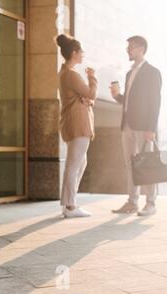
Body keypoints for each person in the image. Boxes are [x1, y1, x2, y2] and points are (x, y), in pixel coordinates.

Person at [110, 36, 163, 216]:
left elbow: (155, 102)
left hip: (143, 127)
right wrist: (117, 96)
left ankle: (151, 203)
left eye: (131, 47)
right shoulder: (128, 73)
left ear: (141, 49)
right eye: (128, 47)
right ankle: (132, 203)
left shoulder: (152, 72)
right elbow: (129, 101)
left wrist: (151, 129)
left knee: (146, 165)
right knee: (130, 165)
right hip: (127, 126)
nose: (128, 50)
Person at [56, 34, 98, 219]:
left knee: (80, 162)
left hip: (72, 122)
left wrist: (86, 100)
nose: (83, 55)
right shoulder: (72, 74)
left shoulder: (64, 73)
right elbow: (91, 93)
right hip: (78, 124)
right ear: (74, 53)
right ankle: (70, 206)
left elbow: (84, 97)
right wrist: (92, 77)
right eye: (81, 52)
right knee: (74, 164)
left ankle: (69, 203)